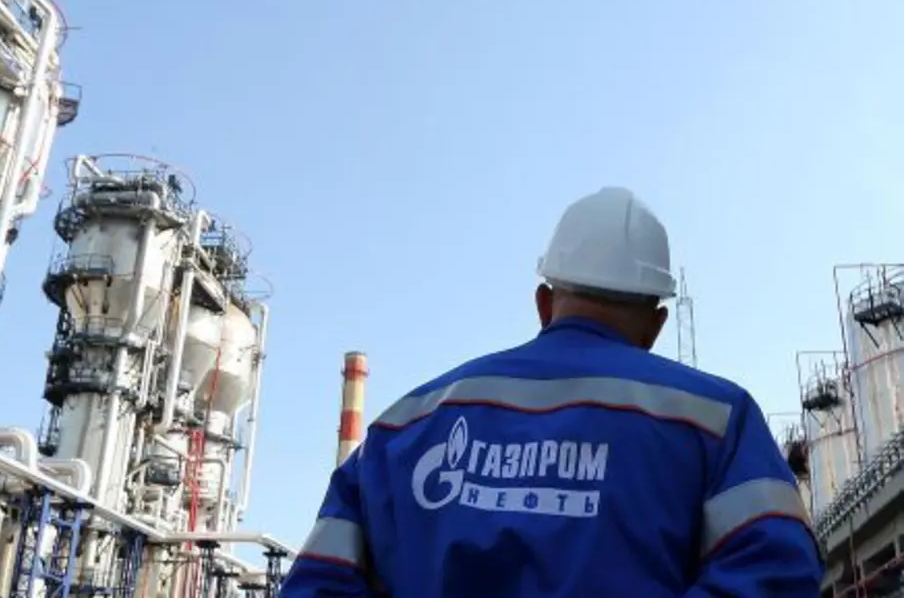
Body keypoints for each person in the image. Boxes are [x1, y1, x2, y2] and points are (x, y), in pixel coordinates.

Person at [279, 187, 823, 597]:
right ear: (655, 326)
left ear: (544, 302)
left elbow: (318, 583)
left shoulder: (405, 426)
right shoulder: (718, 420)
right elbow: (778, 575)